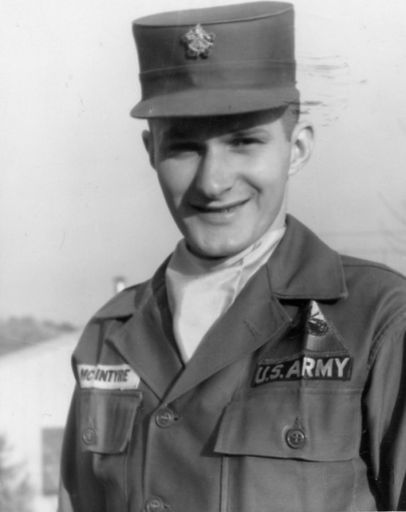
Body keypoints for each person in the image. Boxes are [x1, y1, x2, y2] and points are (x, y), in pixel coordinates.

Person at [58, 2, 406, 511]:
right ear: (150, 151)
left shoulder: (378, 318)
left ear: (298, 148)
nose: (213, 182)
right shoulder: (109, 335)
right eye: (184, 147)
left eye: (244, 142)